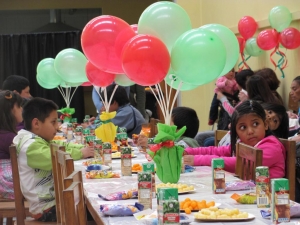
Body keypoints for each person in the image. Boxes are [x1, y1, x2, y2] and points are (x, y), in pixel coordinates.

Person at [12, 97, 94, 222]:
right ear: (36, 124)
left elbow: (62, 146)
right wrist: (80, 153)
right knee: (96, 211)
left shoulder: (37, 140)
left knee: (92, 202)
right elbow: (56, 157)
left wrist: (83, 148)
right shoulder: (30, 145)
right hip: (47, 209)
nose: (57, 127)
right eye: (53, 122)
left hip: (55, 203)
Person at [184, 100, 286, 179]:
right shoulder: (244, 144)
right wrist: (188, 151)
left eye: (255, 124)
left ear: (266, 124)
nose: (250, 131)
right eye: (243, 127)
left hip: (268, 199)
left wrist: (198, 160)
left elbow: (240, 163)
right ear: (236, 132)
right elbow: (219, 150)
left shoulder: (272, 147)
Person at [0, 90, 23, 199]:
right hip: (6, 184)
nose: (21, 109)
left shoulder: (5, 133)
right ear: (11, 110)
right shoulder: (9, 137)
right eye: (19, 107)